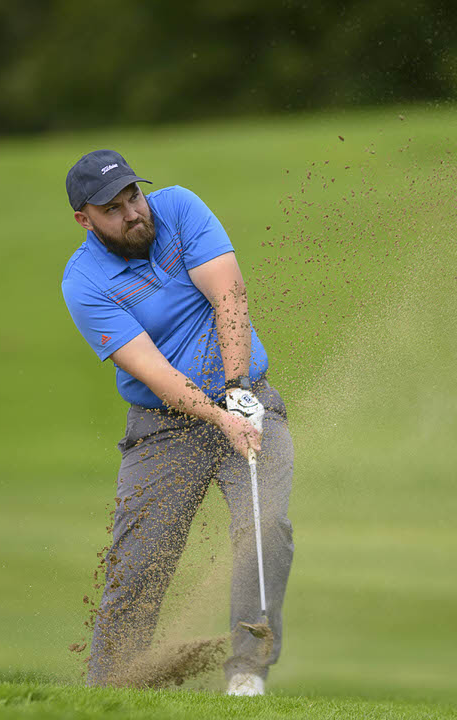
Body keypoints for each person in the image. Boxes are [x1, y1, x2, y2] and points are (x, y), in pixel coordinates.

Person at [60, 149, 294, 696]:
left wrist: (236, 394)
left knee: (266, 529)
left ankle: (247, 671)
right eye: (112, 209)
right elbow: (152, 370)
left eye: (133, 197)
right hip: (163, 426)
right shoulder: (84, 281)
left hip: (249, 399)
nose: (132, 213)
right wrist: (216, 415)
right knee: (138, 564)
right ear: (84, 220)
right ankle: (112, 689)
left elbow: (229, 298)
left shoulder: (180, 209)